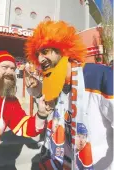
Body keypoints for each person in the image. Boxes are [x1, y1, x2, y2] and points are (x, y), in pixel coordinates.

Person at [25, 21, 113, 170]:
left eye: (45, 52)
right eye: (37, 54)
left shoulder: (100, 76)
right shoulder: (52, 82)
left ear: (62, 49)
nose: (40, 59)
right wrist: (36, 90)